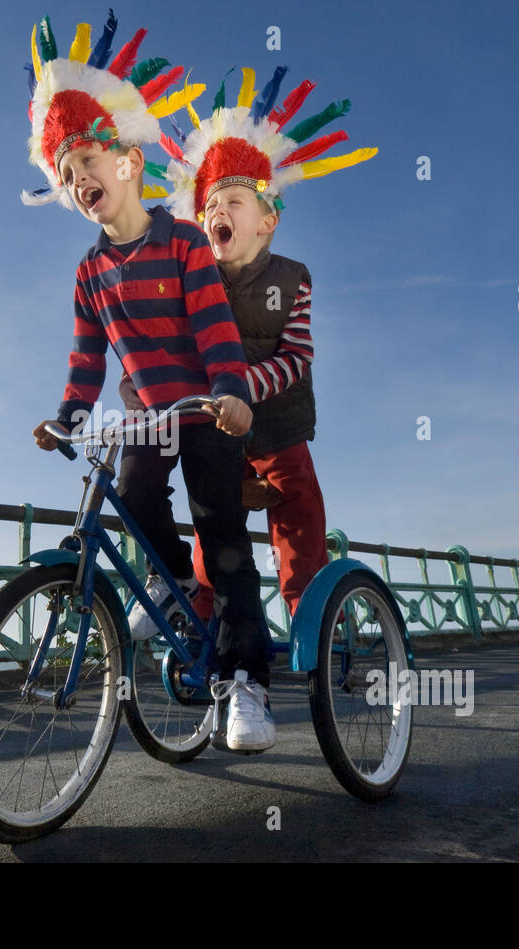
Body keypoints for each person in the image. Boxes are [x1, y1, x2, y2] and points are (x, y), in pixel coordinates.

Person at [21, 13, 277, 751]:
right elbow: (87, 360)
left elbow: (215, 330)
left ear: (130, 162)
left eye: (88, 163)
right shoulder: (88, 272)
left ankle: (246, 687)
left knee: (223, 536)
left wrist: (231, 390)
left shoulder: (185, 243)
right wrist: (69, 416)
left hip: (205, 409)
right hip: (146, 415)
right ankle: (167, 583)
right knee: (132, 496)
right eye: (65, 177)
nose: (77, 183)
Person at [121, 64, 378, 621]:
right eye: (210, 204)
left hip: (279, 424)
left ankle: (311, 614)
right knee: (216, 526)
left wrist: (239, 386)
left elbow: (298, 356)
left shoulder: (292, 278)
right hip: (216, 429)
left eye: (235, 201)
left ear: (267, 222)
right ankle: (205, 618)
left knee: (299, 512)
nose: (218, 210)